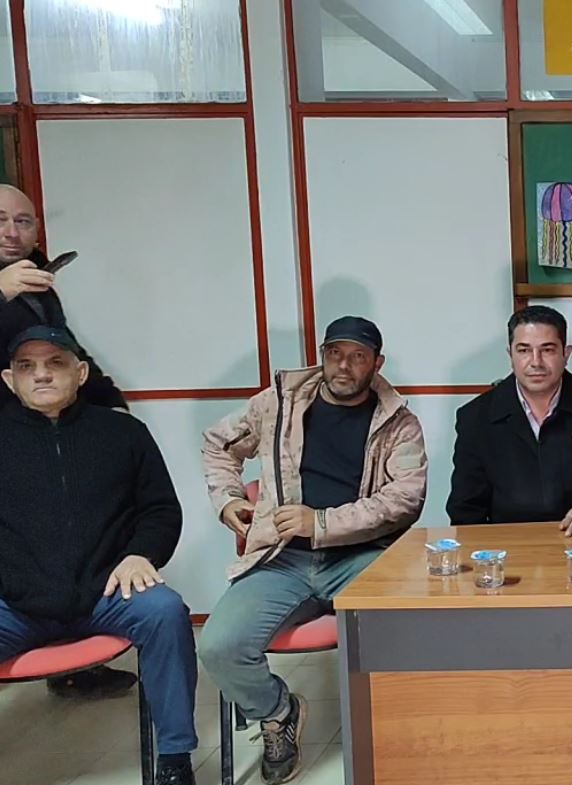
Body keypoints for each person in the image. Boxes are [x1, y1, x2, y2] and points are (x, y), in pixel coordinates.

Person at [198, 316, 427, 785]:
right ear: (322, 356)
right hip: (282, 558)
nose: (344, 366)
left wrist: (320, 523)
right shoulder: (277, 404)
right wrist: (228, 500)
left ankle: (400, 730)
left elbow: (406, 500)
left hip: (363, 557)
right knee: (219, 646)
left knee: (411, 626)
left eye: (358, 356)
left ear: (377, 364)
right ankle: (277, 713)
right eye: (334, 354)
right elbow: (217, 444)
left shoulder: (398, 422)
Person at [0, 326, 196, 785]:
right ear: (9, 380)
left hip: (108, 593)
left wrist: (141, 554)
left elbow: (160, 510)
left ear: (81, 373)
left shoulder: (123, 433)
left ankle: (174, 760)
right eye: (27, 367)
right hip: (16, 604)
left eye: (56, 363)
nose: (42, 375)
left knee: (165, 612)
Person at [0, 183, 136, 699]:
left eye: (23, 221)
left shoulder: (40, 285)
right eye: (1, 221)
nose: (12, 232)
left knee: (75, 538)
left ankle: (76, 662)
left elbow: (65, 351)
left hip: (52, 435)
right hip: (9, 444)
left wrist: (110, 401)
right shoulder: (10, 285)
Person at [447, 305, 572, 532]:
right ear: (510, 355)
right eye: (524, 350)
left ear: (566, 354)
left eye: (547, 350)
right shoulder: (476, 417)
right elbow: (465, 509)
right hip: (508, 544)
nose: (536, 362)